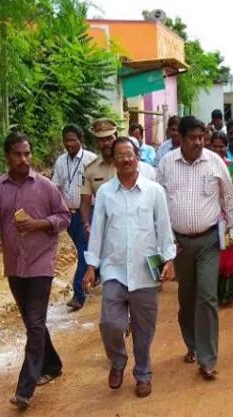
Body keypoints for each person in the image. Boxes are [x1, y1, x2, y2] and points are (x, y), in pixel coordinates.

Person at [0, 132, 71, 410]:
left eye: (27, 154)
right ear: (6, 156)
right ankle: (52, 364)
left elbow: (64, 216)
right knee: (33, 322)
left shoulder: (44, 186)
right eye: (18, 154)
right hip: (14, 266)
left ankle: (25, 388)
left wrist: (39, 224)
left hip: (41, 263)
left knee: (33, 323)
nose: (23, 159)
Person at [83, 137, 176, 398]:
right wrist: (92, 266)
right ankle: (118, 361)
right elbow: (98, 231)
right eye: (120, 155)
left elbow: (163, 228)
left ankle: (143, 374)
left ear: (138, 157)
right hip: (114, 269)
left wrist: (168, 259)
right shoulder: (105, 194)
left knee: (144, 329)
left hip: (147, 269)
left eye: (130, 154)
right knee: (110, 324)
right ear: (114, 161)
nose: (126, 159)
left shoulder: (154, 191)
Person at [157, 116, 233, 380]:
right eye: (192, 137)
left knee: (207, 296)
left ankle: (207, 358)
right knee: (187, 297)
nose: (198, 142)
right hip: (179, 244)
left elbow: (229, 198)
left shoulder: (214, 162)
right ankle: (192, 343)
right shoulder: (166, 164)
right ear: (180, 138)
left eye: (201, 137)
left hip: (208, 242)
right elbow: (158, 207)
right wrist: (164, 245)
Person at [51, 124, 96, 311]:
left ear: (81, 139)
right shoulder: (61, 161)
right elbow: (55, 187)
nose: (69, 144)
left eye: (73, 140)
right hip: (69, 215)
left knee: (84, 252)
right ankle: (95, 274)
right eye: (66, 140)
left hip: (89, 212)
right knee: (84, 249)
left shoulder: (91, 160)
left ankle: (78, 294)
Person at [208, 131, 233, 306]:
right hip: (208, 217)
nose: (217, 149)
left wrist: (232, 212)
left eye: (221, 146)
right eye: (214, 146)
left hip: (227, 218)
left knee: (228, 252)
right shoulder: (204, 167)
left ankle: (227, 293)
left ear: (226, 147)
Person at [80, 119, 118, 238]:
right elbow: (85, 201)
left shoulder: (127, 164)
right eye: (101, 139)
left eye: (109, 138)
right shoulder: (90, 169)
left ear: (116, 138)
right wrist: (86, 224)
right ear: (97, 142)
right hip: (103, 226)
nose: (106, 143)